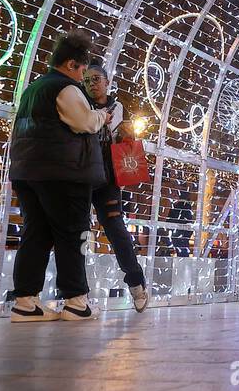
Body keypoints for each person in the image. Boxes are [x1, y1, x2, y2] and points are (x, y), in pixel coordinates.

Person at [8, 30, 111, 322]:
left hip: (28, 172)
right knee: (72, 234)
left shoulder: (33, 89)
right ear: (71, 65)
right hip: (63, 174)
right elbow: (84, 123)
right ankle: (77, 302)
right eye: (82, 70)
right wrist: (103, 115)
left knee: (35, 234)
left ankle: (25, 302)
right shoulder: (65, 88)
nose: (83, 77)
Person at [82, 63, 149, 312]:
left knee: (116, 229)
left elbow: (126, 138)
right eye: (87, 80)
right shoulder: (79, 104)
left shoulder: (119, 107)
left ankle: (136, 283)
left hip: (108, 178)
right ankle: (78, 295)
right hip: (81, 176)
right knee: (77, 231)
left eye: (96, 79)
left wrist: (126, 134)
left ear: (107, 81)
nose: (92, 84)